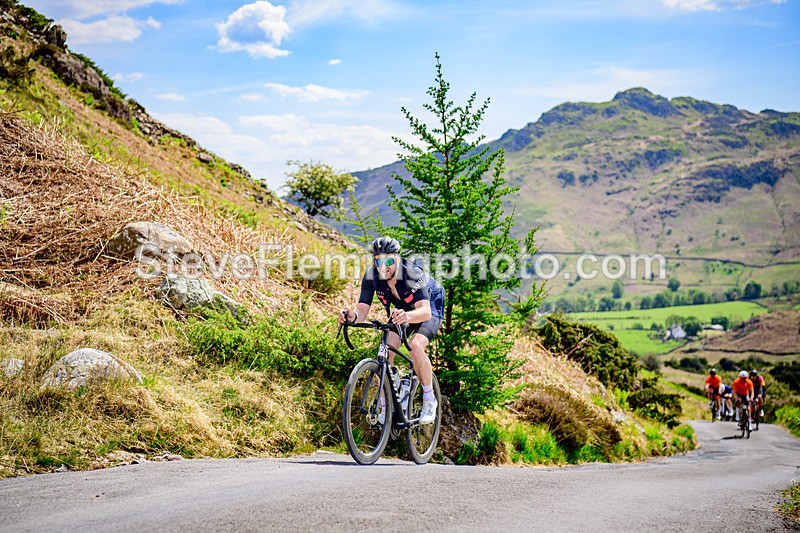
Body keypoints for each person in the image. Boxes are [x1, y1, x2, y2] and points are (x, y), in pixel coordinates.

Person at [339, 237, 445, 425]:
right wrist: (350, 317)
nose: (383, 266)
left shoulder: (412, 273)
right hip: (403, 310)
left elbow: (425, 311)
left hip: (428, 306)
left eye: (388, 261)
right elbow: (361, 312)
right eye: (378, 261)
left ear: (397, 258)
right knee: (386, 348)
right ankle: (388, 404)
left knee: (416, 346)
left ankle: (430, 400)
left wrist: (407, 317)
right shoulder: (371, 276)